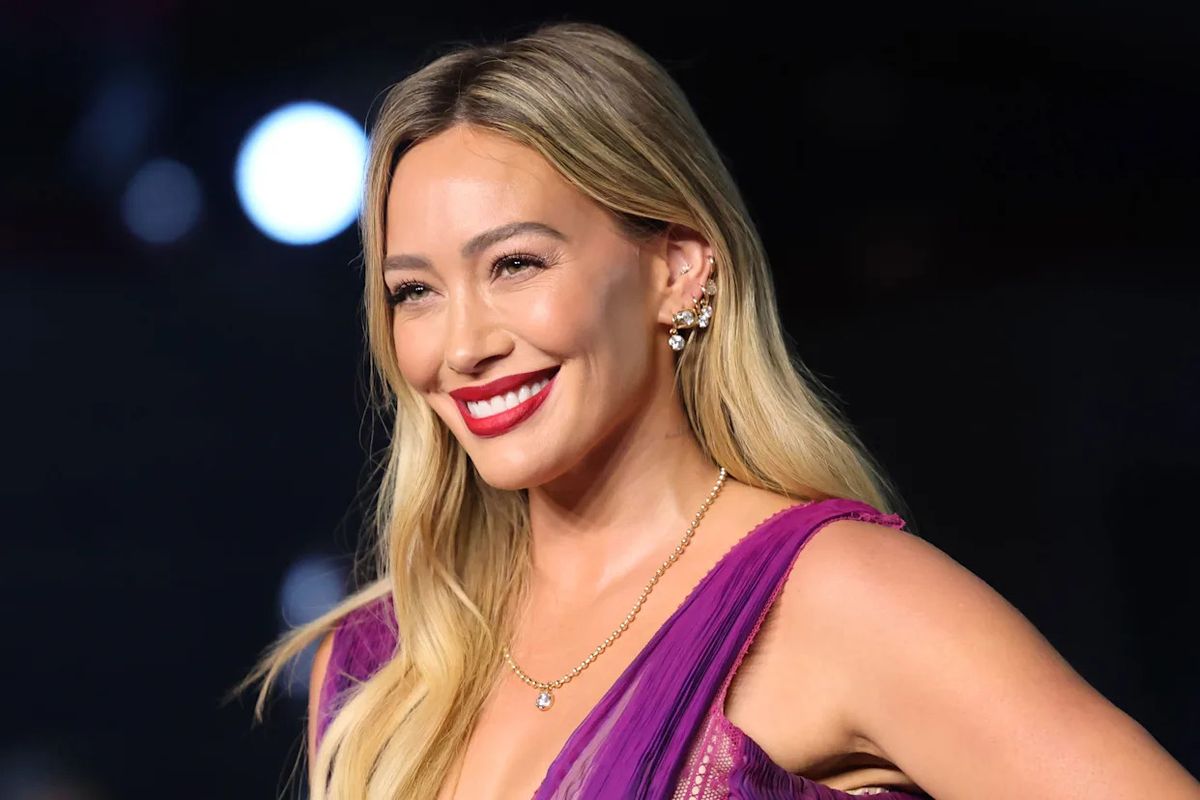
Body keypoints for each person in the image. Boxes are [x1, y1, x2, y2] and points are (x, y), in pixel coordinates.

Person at [234, 20, 1200, 800]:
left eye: (516, 264)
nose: (460, 345)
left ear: (677, 269)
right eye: (414, 292)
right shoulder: (381, 667)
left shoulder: (838, 598)